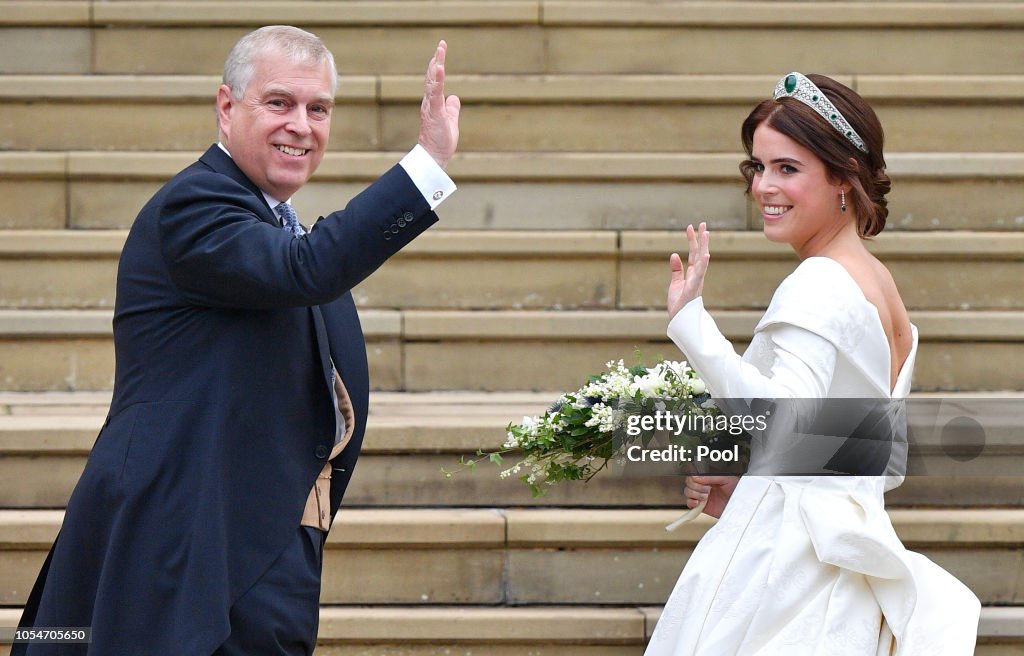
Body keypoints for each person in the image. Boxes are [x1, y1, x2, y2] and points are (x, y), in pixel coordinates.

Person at [15, 26, 460, 655]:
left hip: (259, 538)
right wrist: (424, 169)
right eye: (278, 103)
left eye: (319, 108)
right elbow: (307, 269)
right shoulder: (196, 205)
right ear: (227, 107)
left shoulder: (275, 223)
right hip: (178, 543)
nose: (301, 125)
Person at [645, 73, 980, 655]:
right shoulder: (878, 283)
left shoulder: (821, 282)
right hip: (836, 572)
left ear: (844, 177)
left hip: (785, 572)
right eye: (758, 167)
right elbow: (877, 453)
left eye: (788, 168)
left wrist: (691, 324)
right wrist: (755, 477)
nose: (764, 187)